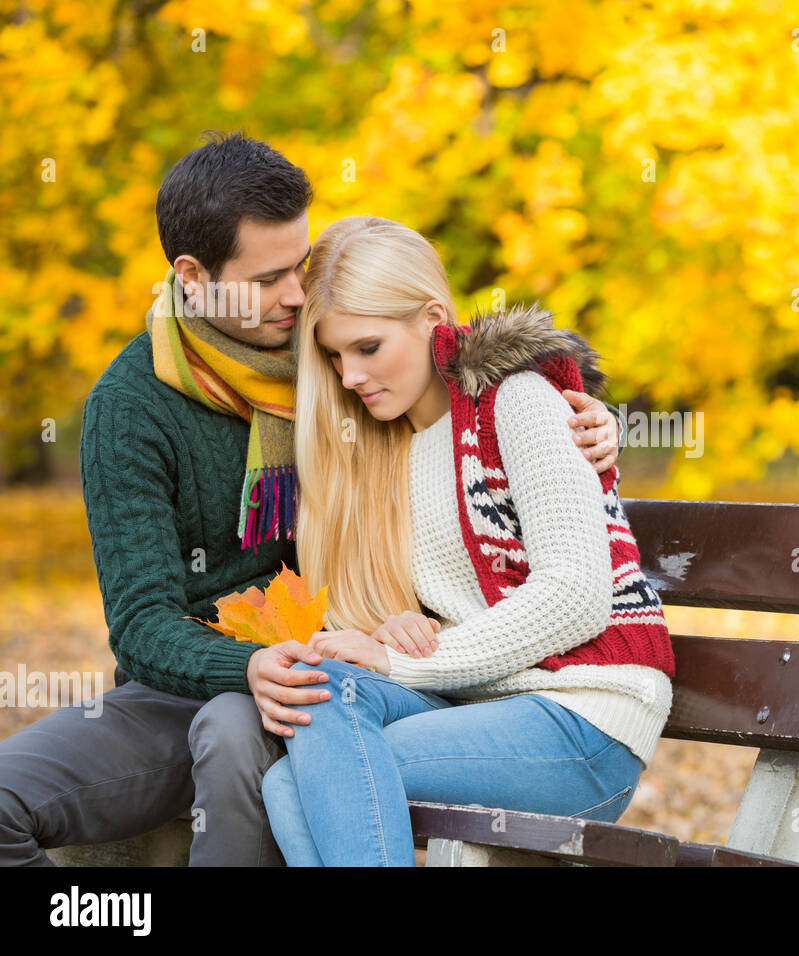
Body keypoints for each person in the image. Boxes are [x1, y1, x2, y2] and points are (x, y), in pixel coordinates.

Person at [0, 132, 622, 866]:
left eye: (299, 266)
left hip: (339, 669)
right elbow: (140, 621)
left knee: (239, 733)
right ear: (194, 277)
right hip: (190, 678)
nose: (296, 295)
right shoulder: (131, 408)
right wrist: (245, 667)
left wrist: (579, 409)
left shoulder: (335, 354)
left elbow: (461, 378)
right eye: (267, 279)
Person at [259, 216, 675, 866]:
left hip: (584, 718)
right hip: (480, 703)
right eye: (335, 356)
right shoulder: (383, 447)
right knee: (307, 729)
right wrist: (406, 628)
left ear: (431, 317)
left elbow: (575, 598)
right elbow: (464, 602)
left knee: (330, 775)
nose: (349, 376)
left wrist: (402, 662)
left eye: (368, 347)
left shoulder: (516, 401)